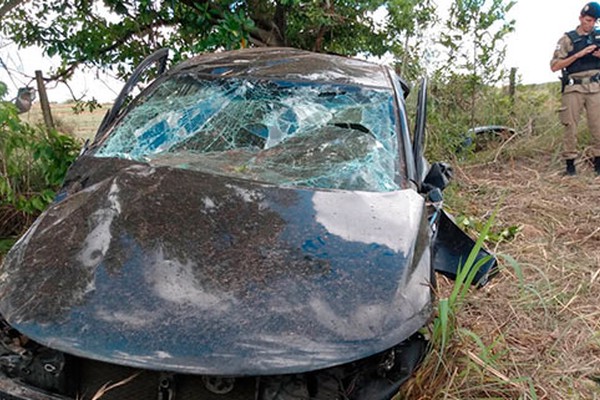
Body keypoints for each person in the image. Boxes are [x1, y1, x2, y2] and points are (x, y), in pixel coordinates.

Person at [551, 2, 600, 176]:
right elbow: (555, 66)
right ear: (580, 18)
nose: (591, 24)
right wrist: (578, 55)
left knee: (598, 126)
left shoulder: (599, 37)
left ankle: (598, 165)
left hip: (596, 87)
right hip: (574, 88)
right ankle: (570, 167)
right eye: (588, 20)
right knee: (570, 126)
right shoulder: (568, 39)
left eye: (594, 21)